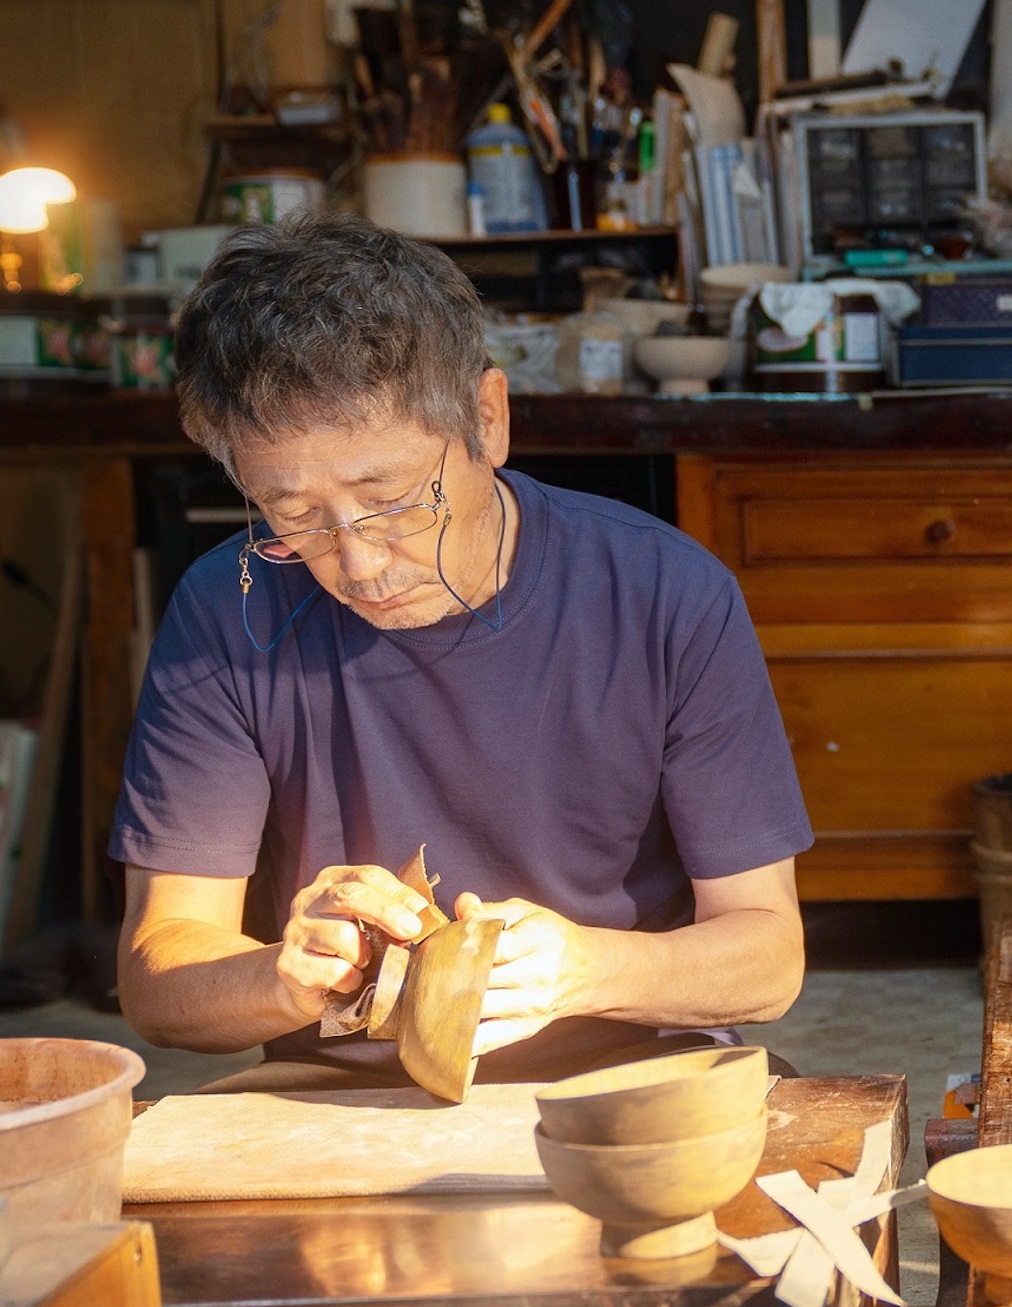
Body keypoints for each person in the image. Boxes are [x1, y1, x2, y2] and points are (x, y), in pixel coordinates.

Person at [113, 213, 814, 1090]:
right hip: (340, 1089)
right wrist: (284, 974)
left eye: (396, 501)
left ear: (487, 419)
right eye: (294, 517)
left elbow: (766, 952)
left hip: (625, 1068)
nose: (359, 564)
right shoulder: (228, 608)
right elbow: (157, 970)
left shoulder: (666, 596)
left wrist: (584, 969)